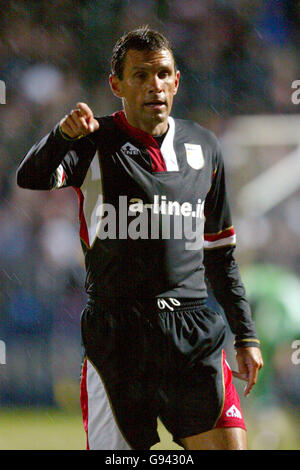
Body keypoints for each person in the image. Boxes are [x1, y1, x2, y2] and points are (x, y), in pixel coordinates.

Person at [16, 26, 263, 450]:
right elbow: (31, 176)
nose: (155, 86)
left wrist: (246, 335)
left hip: (193, 333)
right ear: (117, 84)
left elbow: (220, 254)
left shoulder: (205, 147)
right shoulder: (94, 142)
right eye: (141, 76)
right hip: (119, 335)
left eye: (164, 74)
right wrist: (61, 135)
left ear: (177, 81)